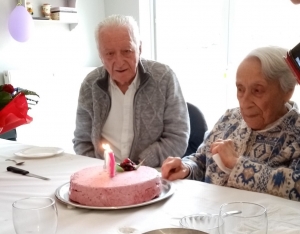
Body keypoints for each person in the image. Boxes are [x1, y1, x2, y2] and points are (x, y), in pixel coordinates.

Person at [161, 46, 300, 201]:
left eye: (257, 91)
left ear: (288, 90)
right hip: (210, 217)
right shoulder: (229, 118)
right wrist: (186, 168)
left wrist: (237, 164)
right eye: (240, 89)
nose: (245, 102)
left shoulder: (296, 135)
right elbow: (201, 160)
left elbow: (296, 187)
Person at [73, 14, 189, 167]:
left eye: (127, 51)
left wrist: (137, 166)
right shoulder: (90, 85)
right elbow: (82, 142)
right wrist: (101, 169)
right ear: (100, 55)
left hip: (151, 172)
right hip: (104, 174)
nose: (119, 61)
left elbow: (177, 137)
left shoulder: (164, 78)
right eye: (110, 54)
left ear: (139, 48)